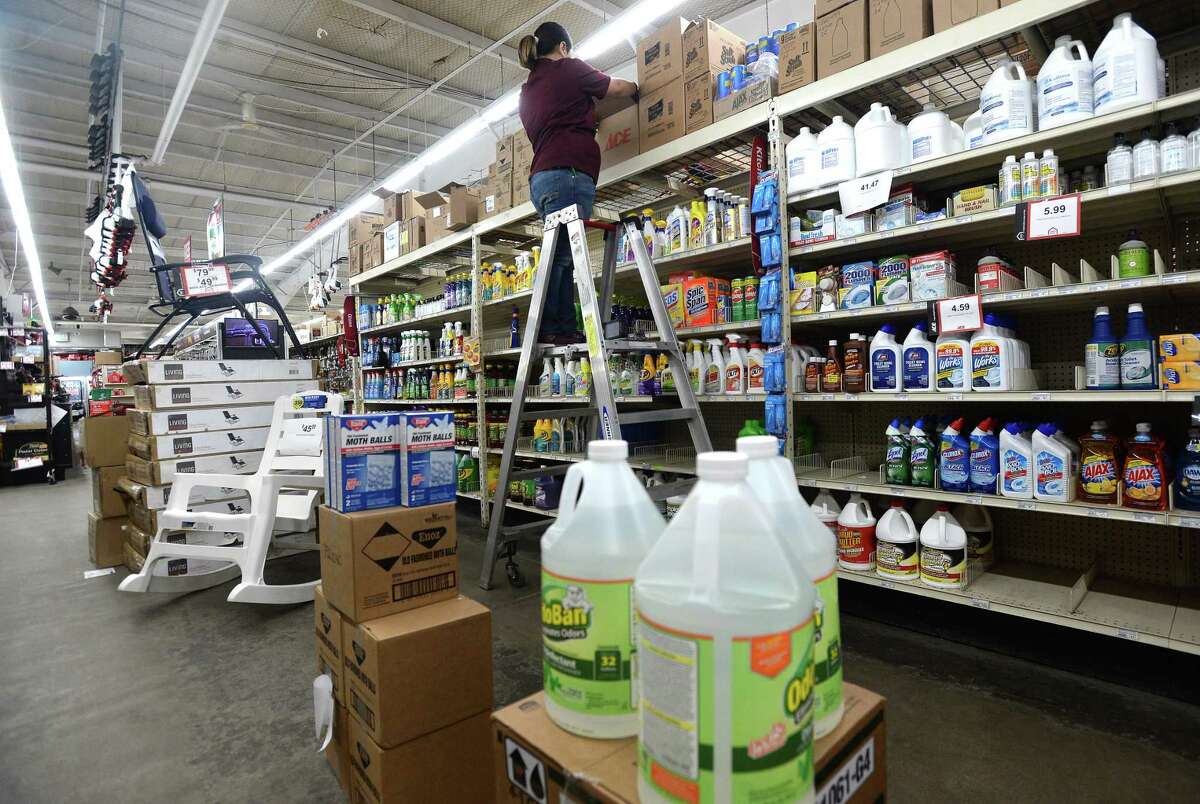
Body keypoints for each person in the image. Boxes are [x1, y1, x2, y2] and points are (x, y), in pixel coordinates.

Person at [517, 22, 638, 345]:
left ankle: (556, 326)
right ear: (563, 48)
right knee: (563, 258)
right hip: (567, 173)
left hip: (542, 179)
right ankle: (556, 329)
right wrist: (638, 86)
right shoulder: (568, 69)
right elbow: (616, 88)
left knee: (557, 256)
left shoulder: (528, 89)